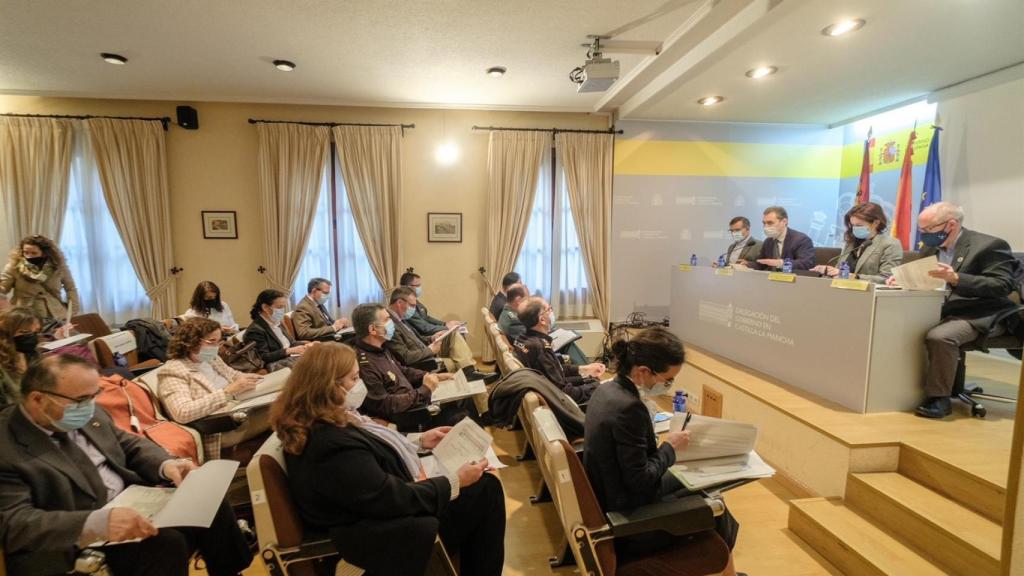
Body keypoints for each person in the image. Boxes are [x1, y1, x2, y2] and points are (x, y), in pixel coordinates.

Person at [0, 354, 251, 576]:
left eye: (93, 396)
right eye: (81, 400)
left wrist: (167, 464)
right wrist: (96, 524)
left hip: (131, 501)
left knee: (208, 498)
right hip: (73, 536)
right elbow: (14, 522)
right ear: (37, 399)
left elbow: (128, 444)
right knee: (167, 544)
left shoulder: (84, 411)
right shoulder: (7, 445)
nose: (89, 406)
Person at [271, 343, 505, 575]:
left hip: (380, 513)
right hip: (383, 534)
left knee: (481, 487)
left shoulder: (321, 419)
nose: (360, 385)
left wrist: (420, 441)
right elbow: (391, 498)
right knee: (485, 489)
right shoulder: (329, 444)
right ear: (329, 386)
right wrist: (455, 481)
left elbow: (369, 455)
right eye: (354, 379)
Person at [583, 326, 740, 575]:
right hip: (628, 515)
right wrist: (670, 447)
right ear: (644, 371)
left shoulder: (606, 390)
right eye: (667, 379)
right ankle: (723, 567)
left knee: (705, 486)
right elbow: (640, 480)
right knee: (715, 506)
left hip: (611, 494)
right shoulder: (629, 409)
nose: (668, 385)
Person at [886, 202, 1019, 418]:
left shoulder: (989, 245)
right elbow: (924, 277)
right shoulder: (930, 248)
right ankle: (899, 388)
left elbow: (1002, 285)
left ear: (951, 224)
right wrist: (903, 279)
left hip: (982, 313)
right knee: (897, 325)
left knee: (941, 337)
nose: (924, 235)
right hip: (943, 308)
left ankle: (939, 398)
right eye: (922, 230)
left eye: (928, 229)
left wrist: (957, 278)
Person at [351, 303, 472, 432]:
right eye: (386, 319)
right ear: (373, 329)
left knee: (464, 396)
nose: (392, 322)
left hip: (414, 398)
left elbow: (402, 370)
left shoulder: (380, 348)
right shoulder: (363, 364)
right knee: (460, 415)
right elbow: (385, 404)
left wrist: (430, 376)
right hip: (408, 415)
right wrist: (425, 390)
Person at [157, 317, 264, 459]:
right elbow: (182, 412)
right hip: (221, 427)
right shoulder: (173, 371)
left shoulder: (211, 359)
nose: (217, 347)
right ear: (190, 342)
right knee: (284, 413)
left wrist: (254, 379)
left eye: (218, 341)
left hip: (240, 407)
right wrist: (228, 392)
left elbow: (233, 374)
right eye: (211, 342)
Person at [513, 297, 606, 406]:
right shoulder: (540, 348)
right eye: (549, 309)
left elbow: (555, 371)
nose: (552, 312)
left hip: (550, 392)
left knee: (592, 380)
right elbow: (564, 393)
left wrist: (585, 370)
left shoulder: (522, 339)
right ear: (542, 320)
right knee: (605, 391)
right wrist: (600, 386)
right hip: (562, 405)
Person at [385, 286, 486, 378]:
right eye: (412, 305)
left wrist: (431, 338)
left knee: (453, 334)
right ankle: (471, 374)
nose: (414, 309)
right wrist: (430, 350)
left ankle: (470, 372)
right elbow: (405, 357)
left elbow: (416, 338)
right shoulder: (390, 325)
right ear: (399, 303)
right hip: (422, 362)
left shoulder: (400, 318)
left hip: (425, 350)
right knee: (458, 364)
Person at [811, 202, 902, 283]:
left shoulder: (890, 244)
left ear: (876, 223)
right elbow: (840, 270)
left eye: (859, 225)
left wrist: (854, 276)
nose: (855, 229)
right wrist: (828, 271)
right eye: (853, 225)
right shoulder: (851, 242)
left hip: (869, 295)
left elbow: (886, 277)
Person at [0, 234, 80, 321]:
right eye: (25, 252)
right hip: (25, 317)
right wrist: (5, 309)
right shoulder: (14, 267)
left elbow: (70, 288)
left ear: (45, 253)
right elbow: (3, 288)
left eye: (34, 253)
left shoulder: (58, 267)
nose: (29, 256)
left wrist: (72, 311)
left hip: (55, 314)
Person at [243, 289, 314, 370]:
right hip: (275, 363)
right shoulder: (255, 331)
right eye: (279, 307)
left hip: (289, 357)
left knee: (320, 355)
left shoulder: (276, 321)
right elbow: (262, 357)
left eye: (283, 307)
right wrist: (288, 351)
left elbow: (291, 343)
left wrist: (306, 345)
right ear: (265, 307)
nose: (282, 311)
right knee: (314, 363)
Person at [737, 206, 815, 271]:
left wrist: (781, 263)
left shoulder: (801, 239)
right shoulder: (768, 241)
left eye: (770, 223)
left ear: (784, 221)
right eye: (764, 223)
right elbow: (762, 264)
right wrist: (748, 264)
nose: (766, 227)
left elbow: (807, 263)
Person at [0, 307, 45, 407]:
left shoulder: (33, 354)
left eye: (36, 332)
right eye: (25, 332)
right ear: (7, 334)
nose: (32, 337)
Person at [400, 270, 461, 339]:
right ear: (407, 286)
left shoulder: (414, 300)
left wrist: (444, 324)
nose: (420, 288)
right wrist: (446, 327)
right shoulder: (405, 304)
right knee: (455, 336)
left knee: (458, 333)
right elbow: (424, 327)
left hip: (425, 336)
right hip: (422, 337)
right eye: (418, 285)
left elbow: (426, 317)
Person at [292, 277, 350, 341]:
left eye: (328, 293)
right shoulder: (303, 307)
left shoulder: (318, 303)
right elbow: (304, 333)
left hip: (330, 336)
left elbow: (328, 322)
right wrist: (333, 328)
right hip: (320, 342)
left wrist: (339, 323)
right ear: (314, 291)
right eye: (325, 293)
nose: (327, 296)